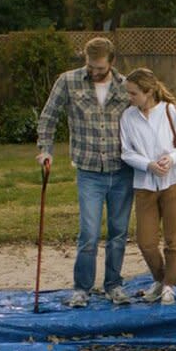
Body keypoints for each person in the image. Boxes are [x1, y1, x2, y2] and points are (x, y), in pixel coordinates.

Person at [36, 37, 133, 308]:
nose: (94, 72)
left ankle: (114, 286)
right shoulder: (67, 81)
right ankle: (82, 289)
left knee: (118, 232)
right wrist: (45, 150)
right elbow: (48, 117)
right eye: (90, 66)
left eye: (100, 68)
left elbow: (144, 118)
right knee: (88, 233)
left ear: (111, 63)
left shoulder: (126, 87)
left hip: (122, 170)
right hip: (89, 171)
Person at [119, 68, 176, 305]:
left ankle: (169, 286)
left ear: (148, 92)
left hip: (173, 184)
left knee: (173, 240)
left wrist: (171, 158)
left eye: (133, 93)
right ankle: (161, 280)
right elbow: (126, 153)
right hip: (144, 186)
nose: (129, 98)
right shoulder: (127, 117)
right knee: (146, 242)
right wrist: (148, 165)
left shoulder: (170, 111)